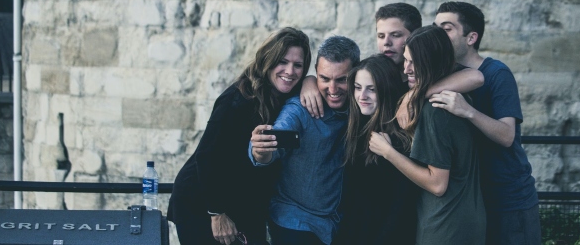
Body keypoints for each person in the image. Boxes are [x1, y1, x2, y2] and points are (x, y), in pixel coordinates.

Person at [168, 27, 311, 245]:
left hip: (243, 202)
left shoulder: (285, 95)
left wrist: (310, 82)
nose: (290, 71)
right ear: (268, 60)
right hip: (203, 204)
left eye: (298, 65)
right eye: (282, 61)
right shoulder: (239, 99)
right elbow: (206, 156)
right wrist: (216, 214)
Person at [430, 2, 541, 245]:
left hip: (508, 201)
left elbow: (507, 135)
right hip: (471, 202)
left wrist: (468, 111)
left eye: (446, 29)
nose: (438, 35)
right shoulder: (444, 75)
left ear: (471, 37)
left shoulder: (497, 73)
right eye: (435, 28)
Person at [369, 25, 486, 245]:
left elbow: (437, 184)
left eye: (414, 62)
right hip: (464, 221)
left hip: (444, 227)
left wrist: (388, 152)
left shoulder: (435, 110)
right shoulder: (454, 95)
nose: (407, 69)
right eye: (406, 60)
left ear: (432, 61)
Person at [249, 36, 360, 245]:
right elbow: (278, 137)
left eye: (342, 80)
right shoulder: (300, 108)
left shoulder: (361, 104)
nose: (333, 89)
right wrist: (261, 152)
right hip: (295, 220)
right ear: (316, 73)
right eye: (324, 78)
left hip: (339, 224)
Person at [301, 2, 483, 119]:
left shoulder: (424, 74)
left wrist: (415, 94)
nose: (386, 43)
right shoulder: (375, 70)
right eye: (381, 36)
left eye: (395, 35)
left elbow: (475, 77)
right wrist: (309, 81)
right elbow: (339, 75)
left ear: (414, 36)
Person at [333, 54, 418, 245]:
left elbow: (400, 207)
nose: (362, 96)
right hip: (351, 233)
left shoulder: (398, 139)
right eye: (357, 88)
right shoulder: (356, 126)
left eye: (371, 89)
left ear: (386, 90)